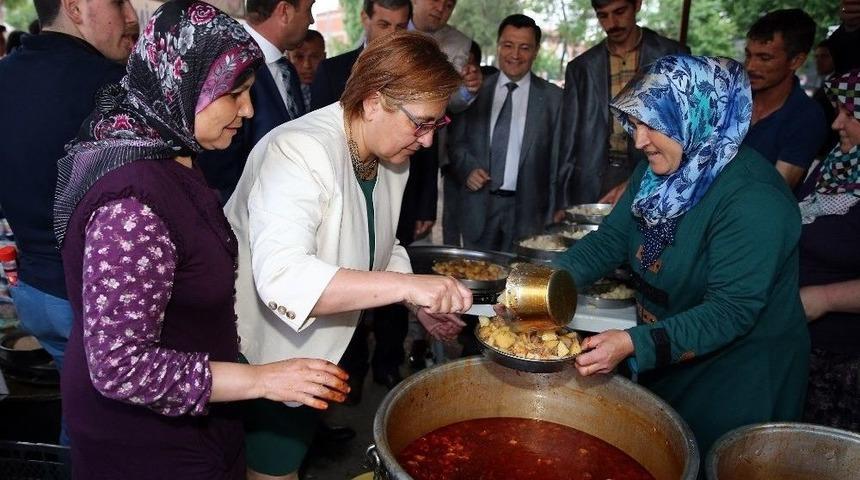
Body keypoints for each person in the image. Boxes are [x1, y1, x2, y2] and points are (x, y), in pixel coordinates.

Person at [53, 2, 349, 478]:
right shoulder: (133, 206)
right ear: (182, 85)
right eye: (235, 94)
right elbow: (121, 367)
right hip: (144, 444)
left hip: (196, 417)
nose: (249, 110)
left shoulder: (173, 152)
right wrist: (263, 380)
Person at [225, 31, 471, 480]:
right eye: (421, 123)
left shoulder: (393, 154)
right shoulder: (297, 150)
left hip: (316, 349)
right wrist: (409, 285)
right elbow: (282, 278)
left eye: (437, 124)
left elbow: (380, 243)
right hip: (264, 350)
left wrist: (414, 300)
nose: (428, 140)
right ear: (374, 102)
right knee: (268, 471)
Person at [554, 55, 810, 457]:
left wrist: (633, 343)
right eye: (635, 124)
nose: (638, 142)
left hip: (738, 377)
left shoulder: (753, 200)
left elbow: (730, 311)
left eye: (652, 125)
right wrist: (543, 286)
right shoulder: (659, 169)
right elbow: (609, 242)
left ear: (697, 114)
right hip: (673, 347)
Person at [0, 0, 137, 377]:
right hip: (92, 297)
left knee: (80, 415)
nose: (130, 15)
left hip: (32, 293)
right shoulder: (111, 86)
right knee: (113, 424)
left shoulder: (5, 77)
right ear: (75, 9)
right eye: (118, 2)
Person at [560, 0, 688, 209]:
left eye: (619, 12)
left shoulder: (673, 54)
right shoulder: (581, 67)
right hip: (594, 176)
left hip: (654, 170)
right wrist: (561, 200)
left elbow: (684, 127)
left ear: (637, 4)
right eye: (603, 16)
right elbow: (568, 138)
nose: (612, 23)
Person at [450, 14, 562, 253]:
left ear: (536, 51)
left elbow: (557, 162)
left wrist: (553, 214)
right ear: (498, 45)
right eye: (508, 45)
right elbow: (456, 143)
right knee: (478, 280)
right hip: (479, 207)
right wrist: (467, 169)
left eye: (524, 48)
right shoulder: (475, 90)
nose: (515, 55)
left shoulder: (554, 99)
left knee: (521, 283)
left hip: (529, 215)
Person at [198, 0, 313, 203]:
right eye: (309, 9)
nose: (311, 20)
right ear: (284, 11)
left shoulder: (287, 70)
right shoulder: (227, 64)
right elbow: (219, 171)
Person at [798, 69, 860, 432]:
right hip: (805, 343)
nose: (838, 122)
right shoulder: (837, 164)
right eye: (838, 110)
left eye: (851, 114)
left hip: (845, 359)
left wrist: (824, 298)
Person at [742, 8, 826, 190]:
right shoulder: (734, 98)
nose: (750, 66)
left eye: (764, 58)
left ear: (796, 61)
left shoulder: (807, 117)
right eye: (748, 55)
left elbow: (773, 192)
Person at [310, 0, 410, 111]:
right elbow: (317, 124)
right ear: (365, 18)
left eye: (401, 27)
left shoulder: (416, 70)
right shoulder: (331, 71)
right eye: (384, 25)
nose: (392, 34)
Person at [287, 29, 325, 110]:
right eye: (299, 57)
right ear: (288, 58)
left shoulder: (339, 89)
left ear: (324, 57)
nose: (307, 65)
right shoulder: (283, 92)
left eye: (314, 57)